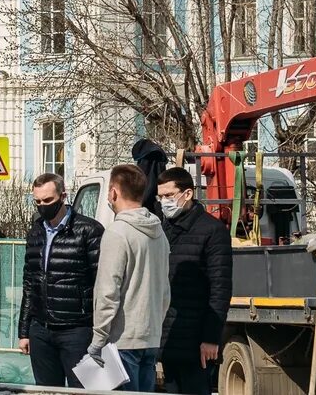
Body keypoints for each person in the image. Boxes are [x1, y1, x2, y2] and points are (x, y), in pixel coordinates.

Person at [87, 164, 171, 393]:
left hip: (121, 339)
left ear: (113, 192)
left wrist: (98, 338)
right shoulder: (159, 232)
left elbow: (108, 291)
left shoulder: (117, 232)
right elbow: (164, 289)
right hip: (150, 336)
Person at [17, 173, 103, 388]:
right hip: (41, 328)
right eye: (37, 201)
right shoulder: (35, 231)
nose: (42, 206)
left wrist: (99, 330)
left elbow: (101, 283)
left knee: (84, 389)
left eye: (48, 200)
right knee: (45, 390)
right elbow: (30, 282)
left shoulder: (88, 230)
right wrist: (24, 331)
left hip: (77, 329)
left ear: (63, 196)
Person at [157, 167, 232, 395]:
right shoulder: (163, 228)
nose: (164, 202)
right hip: (169, 336)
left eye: (169, 196)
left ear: (187, 194)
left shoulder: (212, 231)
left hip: (197, 340)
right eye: (160, 197)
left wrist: (210, 338)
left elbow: (220, 289)